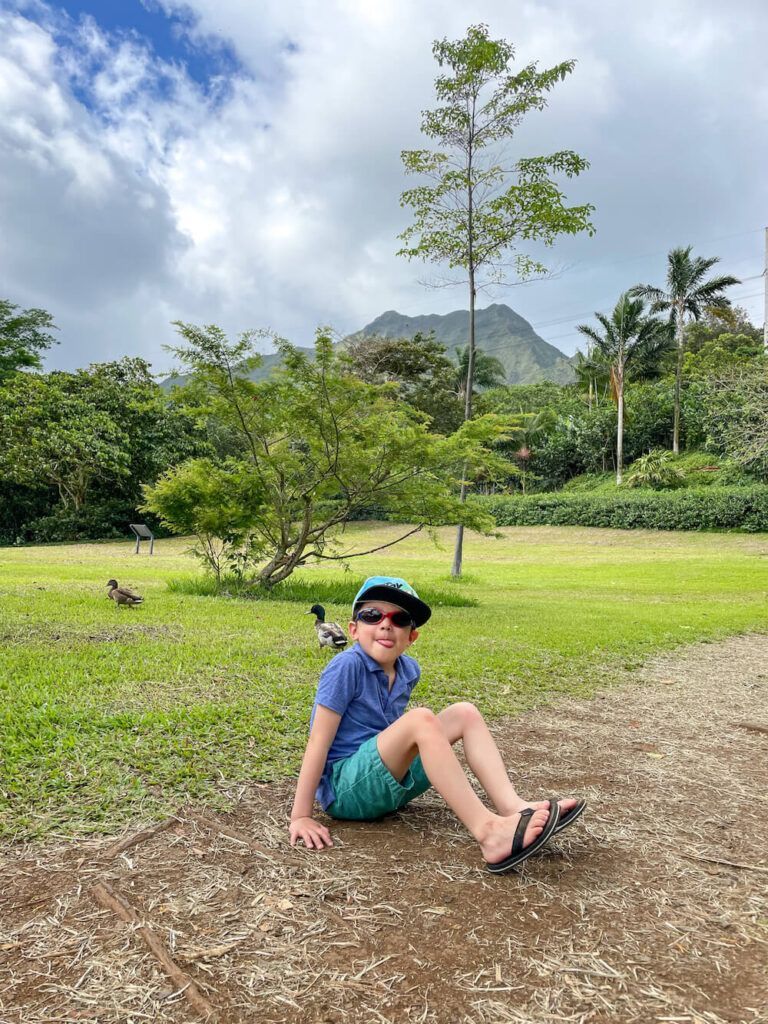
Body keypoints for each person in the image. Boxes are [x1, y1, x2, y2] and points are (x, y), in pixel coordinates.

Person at [289, 576, 586, 873]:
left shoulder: (408, 669)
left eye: (400, 619)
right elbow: (318, 741)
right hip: (346, 790)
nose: (385, 624)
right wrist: (301, 815)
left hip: (386, 782)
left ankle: (513, 807)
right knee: (421, 720)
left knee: (464, 712)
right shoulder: (346, 666)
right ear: (353, 629)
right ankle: (489, 832)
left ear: (411, 637)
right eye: (372, 615)